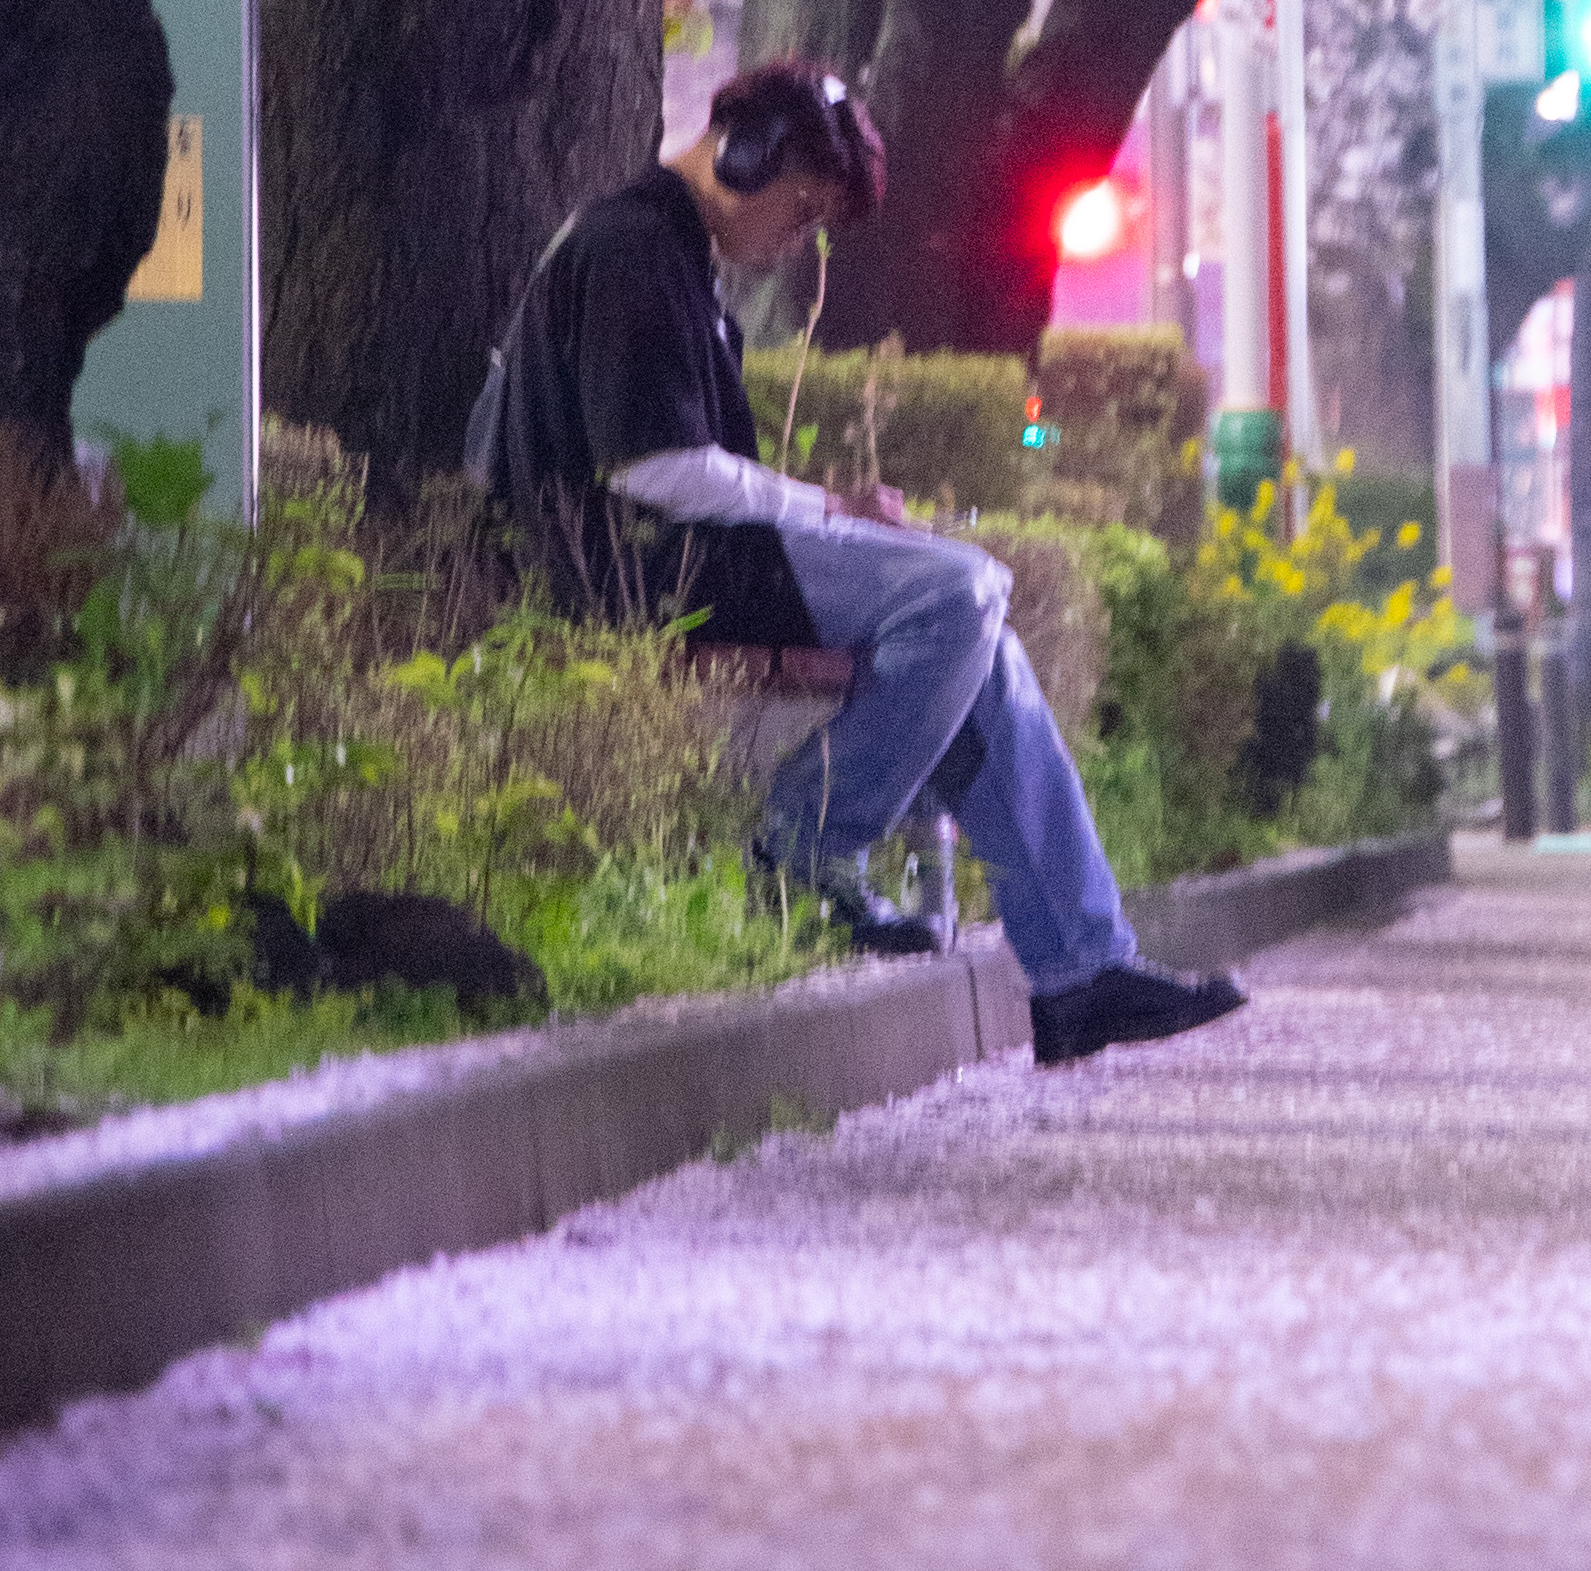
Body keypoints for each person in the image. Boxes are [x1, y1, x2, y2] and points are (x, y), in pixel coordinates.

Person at [488, 57, 1242, 1066]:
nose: (798, 242)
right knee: (964, 589)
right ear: (742, 159)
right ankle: (804, 848)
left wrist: (830, 516)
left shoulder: (670, 256)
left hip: (683, 559)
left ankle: (1080, 973)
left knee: (986, 643)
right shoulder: (631, 250)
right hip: (639, 569)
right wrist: (829, 508)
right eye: (800, 213)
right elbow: (655, 466)